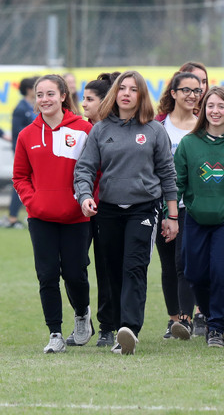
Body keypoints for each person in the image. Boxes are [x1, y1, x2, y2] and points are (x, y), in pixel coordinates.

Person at [74, 70, 179, 355]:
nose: (127, 93)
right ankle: (120, 327)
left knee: (134, 266)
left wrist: (172, 216)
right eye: (122, 88)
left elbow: (168, 175)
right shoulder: (100, 130)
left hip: (144, 208)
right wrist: (84, 196)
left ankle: (129, 329)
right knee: (112, 269)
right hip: (107, 210)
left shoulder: (155, 131)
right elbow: (84, 169)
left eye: (133, 89)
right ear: (115, 93)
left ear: (141, 95)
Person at [13, 75, 94, 353]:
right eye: (39, 94)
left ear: (62, 96)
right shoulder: (27, 135)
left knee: (75, 274)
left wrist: (86, 201)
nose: (44, 99)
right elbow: (20, 176)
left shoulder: (84, 129)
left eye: (50, 94)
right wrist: (33, 203)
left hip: (76, 217)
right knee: (47, 275)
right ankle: (55, 334)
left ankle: (83, 314)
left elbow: (96, 173)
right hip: (40, 218)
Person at [174, 87, 224, 348]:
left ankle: (216, 327)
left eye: (221, 106)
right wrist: (170, 213)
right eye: (210, 106)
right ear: (203, 110)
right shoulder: (189, 143)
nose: (215, 111)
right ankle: (217, 314)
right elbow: (177, 181)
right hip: (195, 218)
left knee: (223, 272)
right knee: (195, 273)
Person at [154, 71, 201, 340]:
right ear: (173, 93)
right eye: (185, 90)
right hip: (163, 206)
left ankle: (186, 317)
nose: (191, 95)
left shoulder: (202, 126)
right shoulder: (159, 127)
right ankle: (173, 319)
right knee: (168, 264)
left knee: (185, 262)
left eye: (196, 91)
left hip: (191, 207)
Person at [80, 72, 120, 347]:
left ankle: (109, 326)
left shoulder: (114, 130)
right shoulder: (81, 130)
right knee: (75, 267)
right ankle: (81, 318)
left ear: (106, 101)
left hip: (108, 207)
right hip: (82, 208)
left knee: (108, 268)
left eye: (89, 99)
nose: (83, 104)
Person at [3, 76, 37, 229]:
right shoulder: (21, 108)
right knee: (21, 182)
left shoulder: (32, 106)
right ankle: (12, 217)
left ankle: (30, 213)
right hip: (23, 152)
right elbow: (17, 131)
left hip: (33, 151)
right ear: (30, 90)